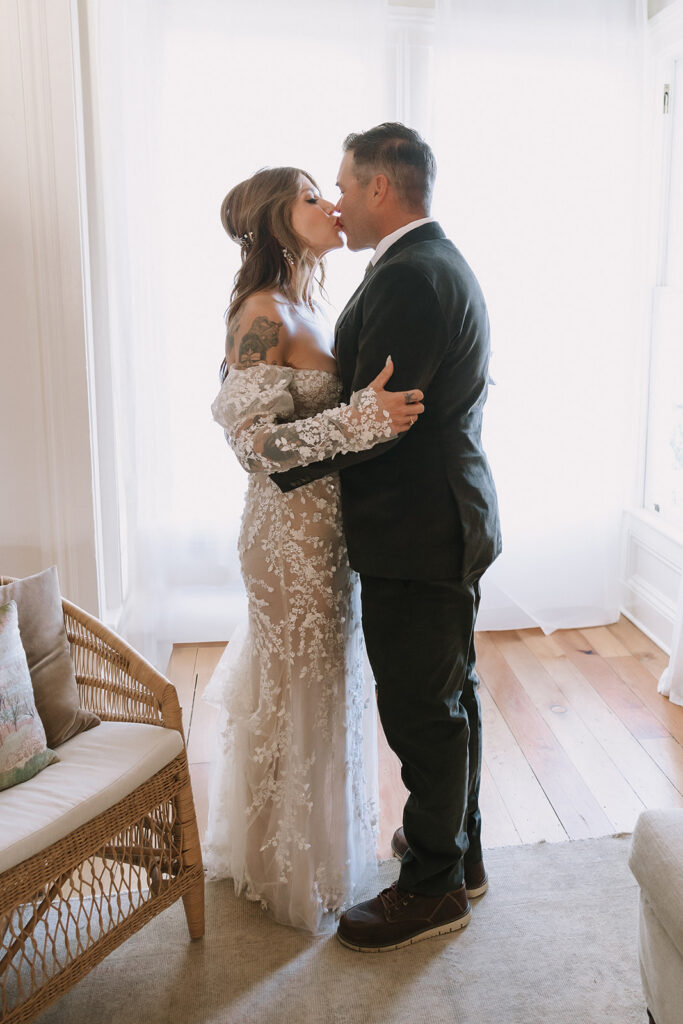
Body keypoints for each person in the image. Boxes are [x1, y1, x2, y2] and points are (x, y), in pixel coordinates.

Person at [272, 124, 501, 952]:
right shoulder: (425, 263)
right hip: (442, 518)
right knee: (450, 694)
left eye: (341, 183)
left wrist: (275, 461)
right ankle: (457, 850)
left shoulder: (412, 278)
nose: (334, 198)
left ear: (378, 188)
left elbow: (380, 422)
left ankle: (433, 887)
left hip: (418, 529)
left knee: (424, 712)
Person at [203, 166, 425, 934]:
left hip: (328, 531)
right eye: (308, 195)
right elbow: (252, 444)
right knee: (299, 693)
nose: (330, 203)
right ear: (273, 222)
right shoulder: (262, 312)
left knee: (325, 693)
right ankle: (285, 872)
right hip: (286, 536)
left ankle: (310, 856)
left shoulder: (311, 305)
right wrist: (361, 421)